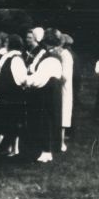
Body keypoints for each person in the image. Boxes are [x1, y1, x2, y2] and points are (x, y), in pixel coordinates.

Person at [24, 30, 63, 163]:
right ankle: (45, 149)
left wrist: (27, 81)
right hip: (50, 90)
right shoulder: (51, 55)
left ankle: (47, 151)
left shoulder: (51, 58)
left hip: (48, 91)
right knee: (48, 118)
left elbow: (40, 77)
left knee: (47, 119)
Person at [0, 34, 27, 157]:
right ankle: (9, 148)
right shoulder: (7, 57)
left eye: (7, 42)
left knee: (11, 124)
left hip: (12, 97)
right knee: (8, 123)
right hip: (5, 96)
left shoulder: (16, 59)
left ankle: (12, 149)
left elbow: (22, 80)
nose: (5, 44)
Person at [58, 33, 74, 151]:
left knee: (63, 113)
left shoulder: (65, 55)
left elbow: (65, 76)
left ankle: (61, 142)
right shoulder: (60, 53)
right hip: (59, 87)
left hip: (63, 88)